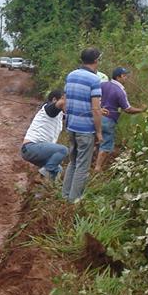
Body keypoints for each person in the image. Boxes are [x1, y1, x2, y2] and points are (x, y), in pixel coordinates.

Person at [62, 47, 103, 202]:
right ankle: (73, 201)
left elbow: (65, 102)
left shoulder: (71, 75)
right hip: (85, 130)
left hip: (71, 126)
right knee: (82, 166)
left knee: (73, 162)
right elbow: (95, 109)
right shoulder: (95, 80)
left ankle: (65, 196)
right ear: (95, 61)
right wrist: (99, 132)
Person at [94, 67, 144, 172]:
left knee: (93, 140)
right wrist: (142, 109)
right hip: (108, 119)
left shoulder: (102, 85)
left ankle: (87, 164)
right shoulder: (120, 91)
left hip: (95, 116)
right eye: (124, 76)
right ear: (118, 77)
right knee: (106, 145)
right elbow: (128, 109)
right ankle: (97, 168)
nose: (126, 78)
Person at [21, 89, 67, 181]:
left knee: (58, 170)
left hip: (37, 150)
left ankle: (38, 191)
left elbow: (76, 114)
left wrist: (94, 111)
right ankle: (42, 175)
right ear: (54, 100)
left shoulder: (59, 114)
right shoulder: (48, 109)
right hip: (31, 147)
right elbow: (59, 105)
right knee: (63, 150)